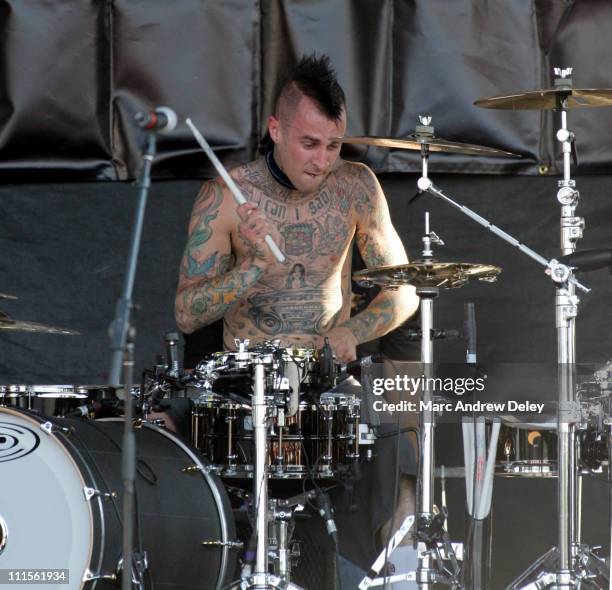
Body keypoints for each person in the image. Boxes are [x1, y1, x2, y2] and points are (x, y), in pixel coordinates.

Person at [174, 54, 419, 572]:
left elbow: (406, 291)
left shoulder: (357, 187)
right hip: (245, 386)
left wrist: (352, 331)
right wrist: (251, 268)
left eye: (333, 144)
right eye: (309, 143)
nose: (322, 159)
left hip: (329, 377)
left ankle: (391, 572)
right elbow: (187, 313)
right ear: (275, 129)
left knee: (401, 431)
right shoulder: (225, 196)